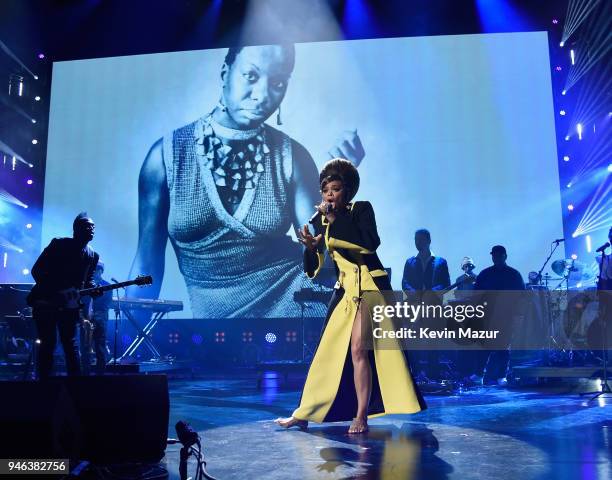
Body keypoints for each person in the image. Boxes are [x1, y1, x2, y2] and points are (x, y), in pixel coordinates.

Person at [129, 44, 365, 318]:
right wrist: (130, 340)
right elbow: (147, 264)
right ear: (225, 73)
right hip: (215, 332)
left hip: (300, 309)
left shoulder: (293, 158)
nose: (263, 95)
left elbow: (321, 258)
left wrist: (337, 190)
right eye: (251, 76)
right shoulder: (166, 158)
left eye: (277, 82)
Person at [274, 159, 426, 434]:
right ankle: (304, 412)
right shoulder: (318, 220)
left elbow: (369, 243)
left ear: (348, 191)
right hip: (344, 290)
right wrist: (310, 248)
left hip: (369, 287)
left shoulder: (361, 210)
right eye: (325, 190)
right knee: (325, 353)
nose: (329, 194)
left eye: (335, 189)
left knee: (359, 349)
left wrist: (334, 220)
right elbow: (314, 267)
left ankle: (361, 416)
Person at [29, 212, 100, 379]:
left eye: (93, 226)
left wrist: (94, 290)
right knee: (48, 344)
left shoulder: (92, 255)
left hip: (69, 306)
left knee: (70, 344)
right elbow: (37, 271)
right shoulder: (58, 245)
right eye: (87, 225)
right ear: (76, 229)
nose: (91, 229)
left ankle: (75, 389)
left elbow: (87, 282)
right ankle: (43, 386)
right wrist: (56, 292)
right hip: (46, 303)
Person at [469, 245, 525, 386]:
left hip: (506, 316)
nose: (496, 258)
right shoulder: (485, 274)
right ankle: (478, 374)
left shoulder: (514, 275)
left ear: (505, 256)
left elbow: (522, 296)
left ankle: (501, 376)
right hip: (487, 316)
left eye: (498, 255)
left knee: (503, 347)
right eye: (494, 255)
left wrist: (518, 315)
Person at [80, 262, 112, 375]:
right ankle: (85, 376)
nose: (93, 272)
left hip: (99, 322)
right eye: (92, 269)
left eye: (96, 269)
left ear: (101, 271)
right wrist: (83, 319)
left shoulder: (107, 286)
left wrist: (94, 320)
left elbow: (104, 307)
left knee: (100, 349)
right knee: (84, 350)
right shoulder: (85, 285)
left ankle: (100, 377)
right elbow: (80, 304)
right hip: (85, 322)